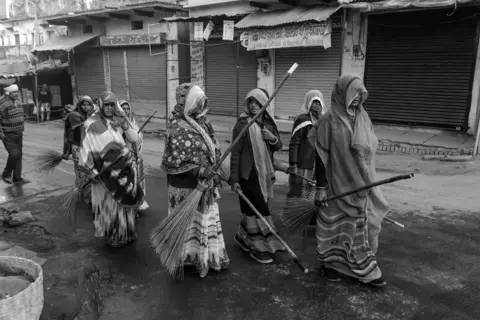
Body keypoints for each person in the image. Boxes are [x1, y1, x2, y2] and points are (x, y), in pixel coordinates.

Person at [308, 74, 390, 287]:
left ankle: (365, 267)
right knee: (334, 228)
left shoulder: (362, 116)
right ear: (341, 93)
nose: (356, 98)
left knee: (357, 229)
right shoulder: (330, 120)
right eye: (352, 93)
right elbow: (321, 155)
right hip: (336, 184)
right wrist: (321, 188)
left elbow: (370, 147)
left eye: (360, 94)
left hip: (360, 184)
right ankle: (329, 265)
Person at [161, 83, 229, 278]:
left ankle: (203, 256)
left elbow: (213, 145)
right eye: (196, 102)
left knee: (202, 222)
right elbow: (174, 159)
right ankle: (184, 257)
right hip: (185, 186)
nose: (200, 106)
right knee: (187, 223)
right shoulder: (176, 125)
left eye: (202, 102)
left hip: (205, 185)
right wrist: (200, 170)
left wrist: (218, 168)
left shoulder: (203, 122)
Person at [77, 91, 144, 247]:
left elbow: (135, 139)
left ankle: (128, 232)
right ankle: (114, 235)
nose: (109, 108)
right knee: (110, 205)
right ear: (100, 104)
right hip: (104, 174)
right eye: (106, 104)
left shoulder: (118, 120)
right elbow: (85, 148)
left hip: (123, 170)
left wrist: (125, 122)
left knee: (124, 204)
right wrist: (90, 171)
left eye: (112, 105)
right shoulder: (91, 124)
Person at [229, 88, 285, 264]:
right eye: (250, 102)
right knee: (259, 209)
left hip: (265, 174)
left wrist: (271, 138)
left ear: (265, 104)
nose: (254, 105)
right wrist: (235, 179)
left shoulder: (268, 123)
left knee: (251, 209)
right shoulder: (242, 124)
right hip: (248, 174)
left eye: (258, 102)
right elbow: (235, 153)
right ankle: (258, 246)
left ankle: (243, 236)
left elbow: (278, 146)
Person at [287, 90, 326, 201]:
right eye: (314, 102)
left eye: (319, 103)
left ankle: (306, 216)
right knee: (297, 193)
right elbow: (294, 143)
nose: (317, 105)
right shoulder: (302, 120)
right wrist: (293, 164)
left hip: (317, 164)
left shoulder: (323, 121)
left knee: (311, 195)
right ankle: (294, 216)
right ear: (308, 102)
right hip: (302, 165)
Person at [62, 95, 95, 207]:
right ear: (79, 105)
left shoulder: (92, 116)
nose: (86, 107)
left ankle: (89, 195)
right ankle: (83, 197)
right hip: (78, 147)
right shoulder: (73, 116)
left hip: (90, 148)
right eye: (84, 104)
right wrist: (66, 150)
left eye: (88, 105)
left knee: (91, 173)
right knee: (81, 173)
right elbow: (68, 135)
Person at [118, 100, 149, 214]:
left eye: (127, 108)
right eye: (123, 108)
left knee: (138, 182)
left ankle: (138, 204)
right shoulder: (119, 124)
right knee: (130, 183)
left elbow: (138, 138)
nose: (126, 110)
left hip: (138, 158)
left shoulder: (133, 122)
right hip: (127, 159)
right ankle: (131, 207)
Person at [0, 84, 30, 185]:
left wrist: (22, 116)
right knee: (14, 154)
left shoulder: (17, 101)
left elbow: (18, 112)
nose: (17, 94)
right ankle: (6, 174)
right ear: (8, 93)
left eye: (18, 92)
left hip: (19, 133)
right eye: (15, 92)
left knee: (18, 155)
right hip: (7, 134)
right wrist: (1, 133)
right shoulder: (2, 102)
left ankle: (17, 177)